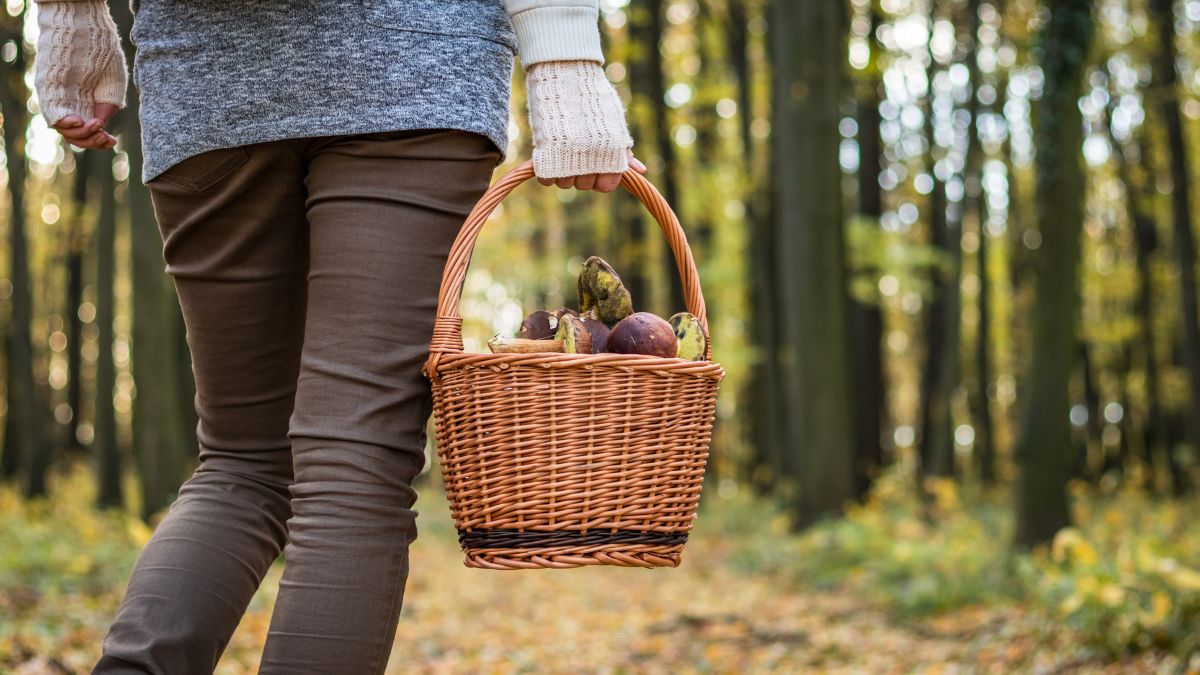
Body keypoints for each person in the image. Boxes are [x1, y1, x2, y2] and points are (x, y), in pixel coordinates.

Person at [33, 1, 644, 672]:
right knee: (356, 461)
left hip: (205, 77)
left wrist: (74, 15)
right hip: (415, 65)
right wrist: (563, 53)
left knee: (241, 462)